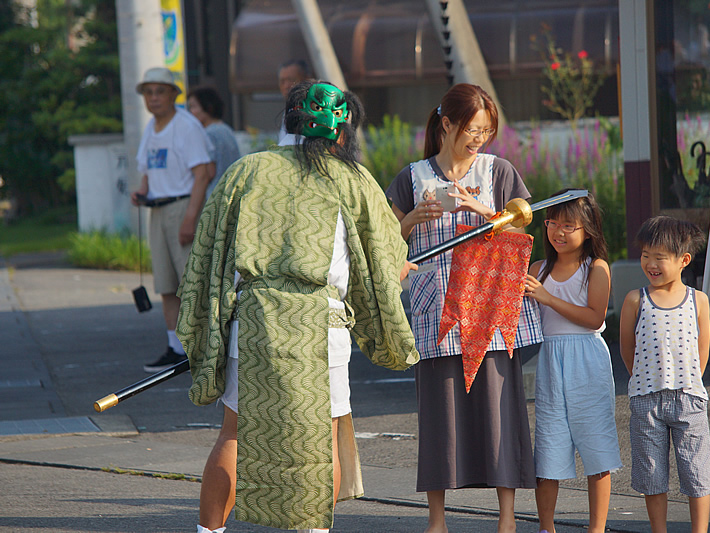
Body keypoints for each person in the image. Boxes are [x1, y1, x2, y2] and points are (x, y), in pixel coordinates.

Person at [176, 80, 419, 533]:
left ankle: (208, 532)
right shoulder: (354, 180)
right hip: (321, 324)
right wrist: (393, 277)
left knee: (234, 432)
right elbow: (385, 265)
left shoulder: (248, 171)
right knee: (321, 438)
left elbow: (207, 255)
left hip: (254, 321)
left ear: (291, 122)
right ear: (343, 133)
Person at [386, 83, 542, 533]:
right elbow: (384, 247)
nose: (479, 139)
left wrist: (484, 211)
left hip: (490, 308)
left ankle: (507, 517)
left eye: (486, 131)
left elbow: (524, 235)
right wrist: (412, 219)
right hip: (436, 310)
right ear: (447, 124)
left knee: (500, 408)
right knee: (438, 411)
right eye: (471, 129)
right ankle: (438, 520)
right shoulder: (412, 178)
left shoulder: (498, 172)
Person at [523, 189, 622, 533]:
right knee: (549, 447)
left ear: (588, 229)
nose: (559, 232)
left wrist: (547, 298)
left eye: (569, 225)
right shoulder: (539, 268)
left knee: (596, 447)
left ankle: (597, 528)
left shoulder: (596, 268)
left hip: (587, 359)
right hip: (550, 361)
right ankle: (546, 527)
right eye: (552, 223)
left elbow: (595, 318)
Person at [619, 215, 710, 533]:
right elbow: (627, 348)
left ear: (683, 260)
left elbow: (702, 351)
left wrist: (689, 383)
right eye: (646, 255)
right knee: (652, 474)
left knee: (696, 472)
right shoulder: (635, 300)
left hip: (688, 399)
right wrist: (644, 380)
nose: (651, 263)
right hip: (646, 401)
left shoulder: (698, 301)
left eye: (659, 257)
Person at [129, 66, 213, 374]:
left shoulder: (186, 126)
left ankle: (200, 347)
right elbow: (147, 172)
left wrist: (190, 218)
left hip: (182, 207)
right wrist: (141, 192)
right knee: (166, 284)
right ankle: (175, 349)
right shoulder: (151, 128)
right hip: (158, 210)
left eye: (160, 91)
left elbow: (203, 174)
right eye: (148, 92)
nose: (153, 98)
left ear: (174, 94)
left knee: (191, 282)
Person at [186, 86, 241, 199]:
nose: (190, 112)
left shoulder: (208, 134)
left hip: (214, 195)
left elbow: (209, 172)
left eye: (193, 107)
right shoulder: (226, 129)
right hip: (231, 192)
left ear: (208, 107)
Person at [277, 59, 313, 144]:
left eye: (291, 80)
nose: (286, 86)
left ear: (307, 80)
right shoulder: (288, 110)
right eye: (282, 81)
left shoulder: (316, 110)